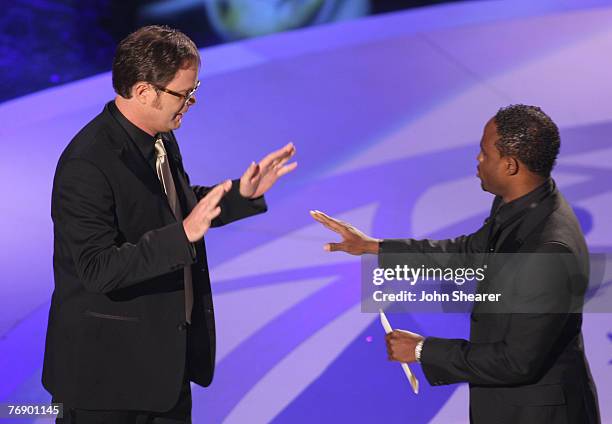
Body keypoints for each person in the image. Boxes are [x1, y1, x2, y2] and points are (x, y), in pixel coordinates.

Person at [43, 25, 297, 423]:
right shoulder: (86, 165)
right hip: (107, 383)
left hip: (162, 370)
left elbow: (171, 205)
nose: (192, 102)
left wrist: (239, 195)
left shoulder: (158, 135)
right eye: (184, 93)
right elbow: (96, 269)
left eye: (194, 90)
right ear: (144, 91)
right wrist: (182, 235)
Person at [311, 105, 600, 423]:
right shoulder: (523, 204)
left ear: (510, 166)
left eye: (484, 152)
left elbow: (517, 361)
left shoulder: (548, 249)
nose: (478, 160)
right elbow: (468, 252)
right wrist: (372, 247)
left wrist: (422, 350)